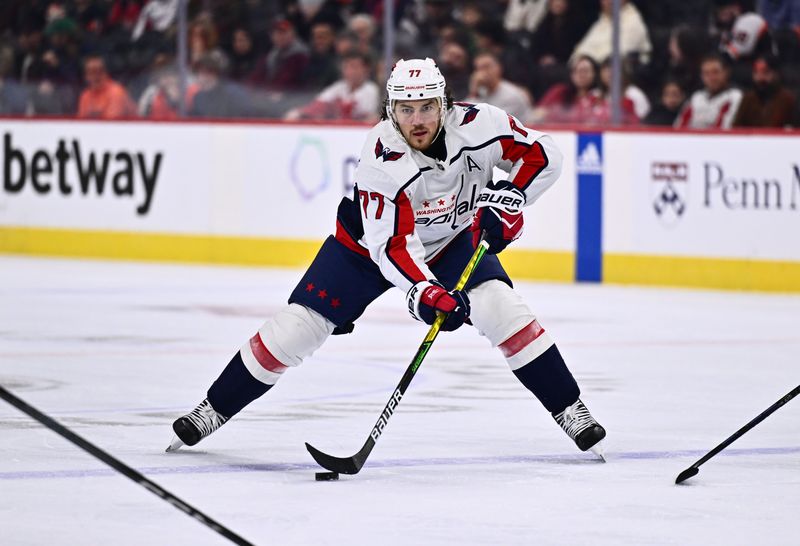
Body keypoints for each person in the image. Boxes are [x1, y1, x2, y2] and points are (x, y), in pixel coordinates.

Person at [166, 58, 607, 459]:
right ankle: (213, 409)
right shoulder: (382, 160)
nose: (417, 120)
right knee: (296, 329)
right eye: (405, 109)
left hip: (452, 239)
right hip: (365, 249)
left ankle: (571, 409)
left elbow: (542, 155)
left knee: (501, 308)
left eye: (427, 108)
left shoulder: (481, 124)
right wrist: (427, 293)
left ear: (445, 105)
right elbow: (393, 247)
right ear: (390, 111)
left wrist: (511, 197)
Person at [284, 51, 379, 122]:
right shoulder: (339, 86)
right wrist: (300, 112)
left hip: (359, 134)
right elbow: (319, 103)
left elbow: (359, 116)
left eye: (354, 67)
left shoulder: (371, 89)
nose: (350, 71)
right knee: (294, 115)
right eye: (347, 67)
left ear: (366, 69)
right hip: (337, 131)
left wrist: (332, 108)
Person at [674, 53, 742, 129]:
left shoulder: (735, 96)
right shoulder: (696, 97)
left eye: (715, 72)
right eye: (706, 73)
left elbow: (724, 130)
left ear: (726, 72)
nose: (711, 78)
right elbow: (679, 128)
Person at [465, 51, 535, 124]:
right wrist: (474, 91)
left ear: (499, 68)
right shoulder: (481, 92)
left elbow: (490, 123)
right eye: (478, 69)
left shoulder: (511, 95)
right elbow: (463, 114)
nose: (482, 73)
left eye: (486, 67)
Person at [733, 54, 797, 127]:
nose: (760, 78)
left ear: (775, 74)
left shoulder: (787, 99)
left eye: (765, 73)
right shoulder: (748, 99)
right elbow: (736, 128)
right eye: (756, 73)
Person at [76, 54, 136, 119]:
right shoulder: (85, 96)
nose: (96, 76)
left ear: (106, 72)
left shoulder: (116, 92)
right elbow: (81, 123)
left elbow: (110, 125)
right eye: (92, 72)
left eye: (99, 71)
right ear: (86, 76)